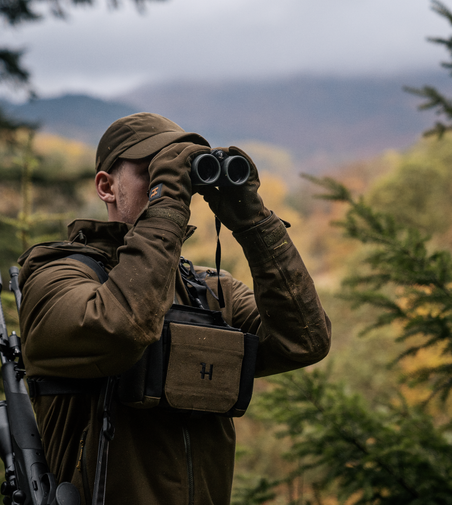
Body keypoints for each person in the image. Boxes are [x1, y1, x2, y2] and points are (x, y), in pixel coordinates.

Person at [17, 112, 331, 505]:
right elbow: (122, 326)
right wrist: (165, 207)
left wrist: (254, 222)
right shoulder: (58, 278)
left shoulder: (210, 292)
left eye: (178, 174)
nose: (171, 186)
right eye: (152, 171)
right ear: (107, 186)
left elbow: (304, 341)